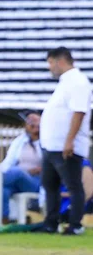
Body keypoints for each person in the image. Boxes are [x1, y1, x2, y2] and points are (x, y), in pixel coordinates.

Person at [40, 46, 91, 235]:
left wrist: (69, 141)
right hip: (51, 146)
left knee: (73, 186)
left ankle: (75, 225)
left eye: (51, 63)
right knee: (50, 186)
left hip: (66, 146)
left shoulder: (78, 82)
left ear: (60, 61)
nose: (50, 68)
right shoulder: (64, 83)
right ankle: (50, 223)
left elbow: (79, 112)